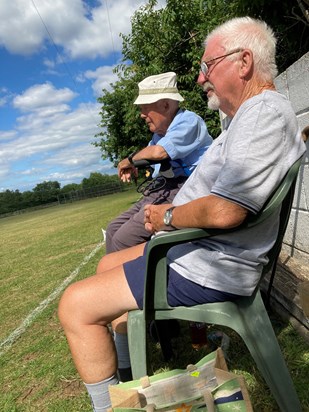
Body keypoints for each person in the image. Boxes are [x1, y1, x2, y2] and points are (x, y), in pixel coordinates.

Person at [58, 17, 306, 412]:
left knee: (74, 305)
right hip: (202, 254)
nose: (201, 76)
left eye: (208, 65)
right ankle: (123, 379)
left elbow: (226, 210)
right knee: (108, 263)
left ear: (243, 63)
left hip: (209, 265)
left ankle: (107, 406)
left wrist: (167, 218)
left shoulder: (262, 114)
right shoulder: (253, 115)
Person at [105, 71, 212, 254]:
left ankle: (127, 278)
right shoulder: (159, 134)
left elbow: (158, 152)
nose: (141, 115)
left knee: (123, 240)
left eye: (144, 107)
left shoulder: (189, 121)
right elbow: (148, 154)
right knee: (112, 229)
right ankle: (112, 275)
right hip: (164, 186)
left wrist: (128, 160)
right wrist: (134, 165)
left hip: (185, 187)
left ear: (165, 104)